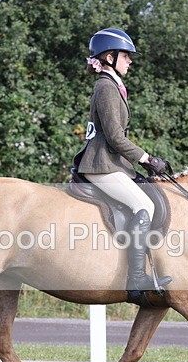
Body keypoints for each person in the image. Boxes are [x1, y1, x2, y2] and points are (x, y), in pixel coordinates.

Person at [73, 28, 173, 292]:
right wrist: (147, 159)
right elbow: (115, 137)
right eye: (126, 56)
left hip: (112, 163)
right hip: (101, 164)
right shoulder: (106, 87)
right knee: (143, 205)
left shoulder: (113, 85)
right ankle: (136, 278)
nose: (130, 61)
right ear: (109, 57)